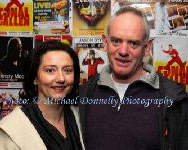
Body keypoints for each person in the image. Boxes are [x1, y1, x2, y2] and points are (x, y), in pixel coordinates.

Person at [79, 6, 188, 150]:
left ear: (147, 47)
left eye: (133, 43)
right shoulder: (84, 94)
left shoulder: (175, 100)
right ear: (105, 43)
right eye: (116, 41)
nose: (123, 51)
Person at [0, 40, 85, 150]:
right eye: (50, 70)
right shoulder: (8, 132)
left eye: (67, 70)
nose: (61, 78)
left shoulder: (83, 118)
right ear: (34, 78)